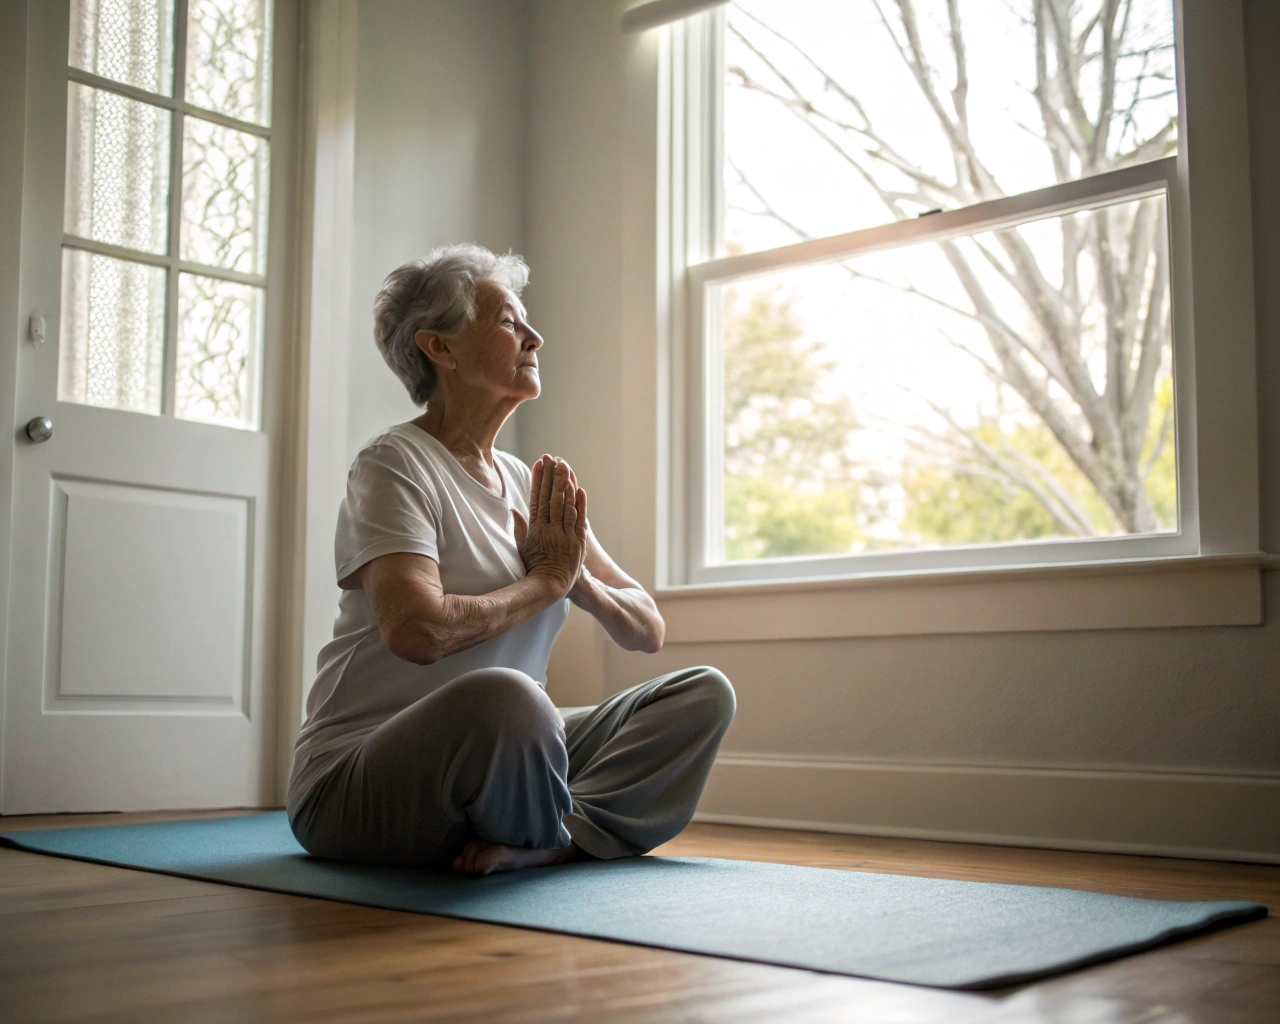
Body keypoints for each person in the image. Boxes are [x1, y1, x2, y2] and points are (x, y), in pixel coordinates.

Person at [286, 243, 736, 876]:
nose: (536, 337)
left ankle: (555, 839)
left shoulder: (530, 482)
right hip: (354, 786)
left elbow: (647, 629)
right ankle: (561, 834)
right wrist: (545, 583)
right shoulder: (394, 464)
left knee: (700, 694)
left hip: (510, 757)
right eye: (508, 321)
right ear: (439, 349)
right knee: (510, 698)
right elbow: (417, 631)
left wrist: (578, 583)